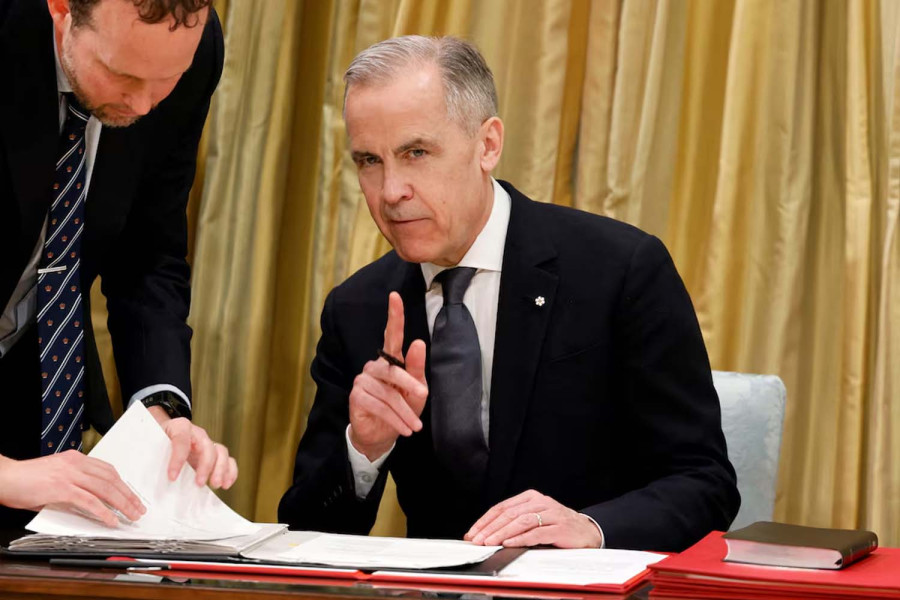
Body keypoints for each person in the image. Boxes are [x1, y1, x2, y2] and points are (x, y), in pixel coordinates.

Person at [278, 35, 739, 552]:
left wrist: (593, 527)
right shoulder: (357, 308)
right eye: (369, 161)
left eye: (416, 153)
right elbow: (305, 534)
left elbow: (706, 484)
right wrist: (362, 451)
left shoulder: (620, 270)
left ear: (488, 145)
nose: (390, 191)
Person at [0, 0, 236, 530]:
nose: (146, 105)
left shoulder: (190, 48)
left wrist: (160, 409)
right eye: (123, 75)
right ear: (61, 8)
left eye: (167, 80)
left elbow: (150, 249)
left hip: (35, 399)